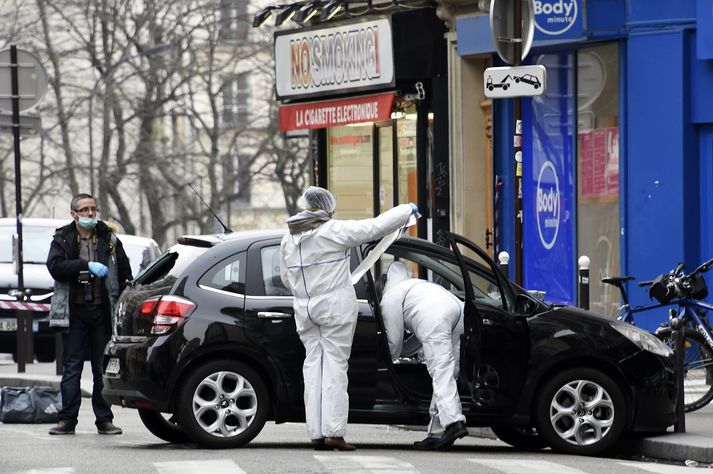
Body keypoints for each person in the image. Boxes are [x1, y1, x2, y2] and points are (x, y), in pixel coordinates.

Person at [280, 186, 417, 451]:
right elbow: (373, 228)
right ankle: (334, 432)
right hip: (333, 308)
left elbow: (287, 278)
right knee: (335, 368)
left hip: (305, 310)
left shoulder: (289, 237)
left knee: (313, 368)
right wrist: (406, 211)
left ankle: (317, 432)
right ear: (326, 207)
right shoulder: (331, 231)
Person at [46, 193, 133, 435]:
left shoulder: (109, 238)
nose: (90, 214)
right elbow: (55, 267)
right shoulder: (62, 238)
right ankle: (67, 420)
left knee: (100, 368)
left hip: (101, 311)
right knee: (72, 367)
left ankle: (104, 420)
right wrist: (85, 267)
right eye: (84, 210)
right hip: (74, 311)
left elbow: (125, 272)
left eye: (93, 209)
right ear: (74, 214)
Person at [380, 261, 468, 450]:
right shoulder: (414, 286)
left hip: (435, 316)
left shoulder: (388, 299)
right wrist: (405, 351)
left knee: (440, 370)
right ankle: (436, 433)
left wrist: (388, 356)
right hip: (459, 311)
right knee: (448, 373)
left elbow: (394, 343)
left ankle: (454, 422)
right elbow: (418, 337)